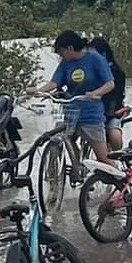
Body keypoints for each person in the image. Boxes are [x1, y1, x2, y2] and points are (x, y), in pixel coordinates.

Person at [27, 30, 115, 163]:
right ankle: (74, 167)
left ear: (70, 48)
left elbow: (110, 84)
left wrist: (95, 94)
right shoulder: (65, 63)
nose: (60, 56)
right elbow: (54, 82)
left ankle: (122, 180)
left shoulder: (95, 58)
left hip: (91, 114)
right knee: (59, 136)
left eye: (61, 52)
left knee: (103, 158)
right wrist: (38, 91)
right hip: (71, 113)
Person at [86, 36, 126, 151]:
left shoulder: (117, 73)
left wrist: (108, 116)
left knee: (115, 137)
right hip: (90, 113)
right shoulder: (88, 72)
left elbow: (116, 99)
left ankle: (117, 159)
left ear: (103, 55)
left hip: (112, 112)